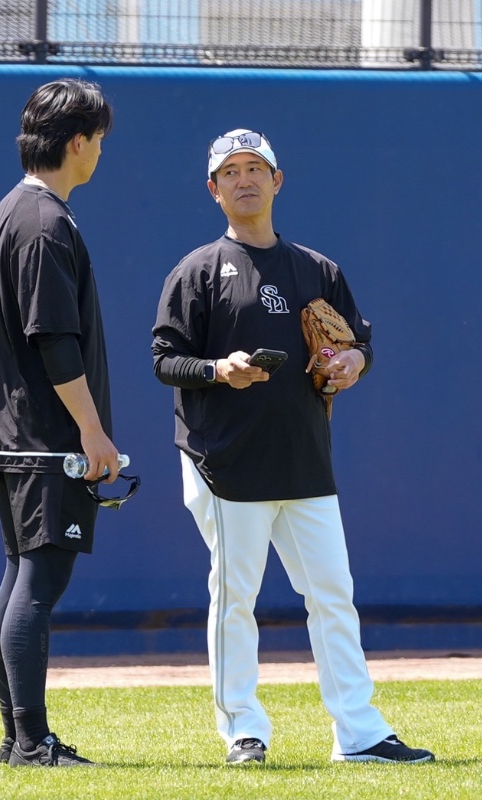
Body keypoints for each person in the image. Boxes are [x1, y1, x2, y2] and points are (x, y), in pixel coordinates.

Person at [151, 129, 435, 766]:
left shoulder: (316, 269)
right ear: (214, 190)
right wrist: (218, 370)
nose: (244, 179)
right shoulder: (197, 271)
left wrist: (352, 362)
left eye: (256, 168)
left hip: (304, 458)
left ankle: (359, 734)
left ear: (278, 181)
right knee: (236, 600)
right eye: (231, 172)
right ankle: (243, 731)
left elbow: (360, 344)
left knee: (333, 594)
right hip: (225, 461)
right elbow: (165, 358)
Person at [0, 78, 118, 768]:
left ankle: (18, 736)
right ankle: (30, 740)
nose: (100, 152)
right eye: (100, 141)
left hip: (8, 428)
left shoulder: (11, 210)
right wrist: (93, 430)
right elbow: (54, 337)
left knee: (20, 575)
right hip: (42, 433)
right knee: (40, 582)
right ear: (77, 143)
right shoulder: (46, 220)